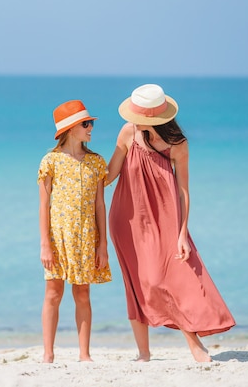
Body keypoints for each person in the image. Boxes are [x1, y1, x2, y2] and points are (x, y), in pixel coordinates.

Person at [105, 84, 235, 362]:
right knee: (137, 281)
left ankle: (193, 341)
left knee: (167, 280)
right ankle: (143, 352)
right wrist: (79, 170)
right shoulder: (129, 132)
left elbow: (183, 191)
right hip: (126, 220)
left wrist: (182, 233)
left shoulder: (178, 144)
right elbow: (110, 174)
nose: (134, 118)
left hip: (166, 220)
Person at [38, 100, 112, 363]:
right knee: (53, 293)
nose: (91, 127)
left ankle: (84, 354)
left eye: (90, 123)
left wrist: (103, 244)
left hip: (85, 237)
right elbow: (44, 205)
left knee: (82, 293)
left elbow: (100, 205)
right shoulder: (51, 161)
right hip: (58, 238)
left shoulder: (96, 162)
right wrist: (45, 244)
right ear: (71, 129)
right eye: (86, 124)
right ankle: (48, 354)